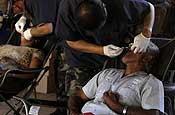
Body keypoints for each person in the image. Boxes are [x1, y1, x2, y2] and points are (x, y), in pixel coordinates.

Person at [56, 0, 155, 105]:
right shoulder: (67, 7)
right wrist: (101, 50)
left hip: (112, 61)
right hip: (81, 58)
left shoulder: (123, 4)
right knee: (76, 100)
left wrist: (146, 33)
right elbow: (71, 41)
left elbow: (149, 8)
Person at [68, 41, 164, 115]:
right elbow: (78, 96)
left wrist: (117, 107)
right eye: (130, 47)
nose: (129, 49)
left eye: (135, 48)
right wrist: (73, 112)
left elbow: (155, 114)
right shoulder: (107, 73)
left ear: (147, 58)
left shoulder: (150, 82)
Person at [0, 33, 44, 101]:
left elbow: (31, 74)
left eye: (31, 33)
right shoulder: (6, 46)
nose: (25, 33)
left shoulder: (35, 52)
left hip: (7, 79)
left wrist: (10, 74)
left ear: (35, 39)